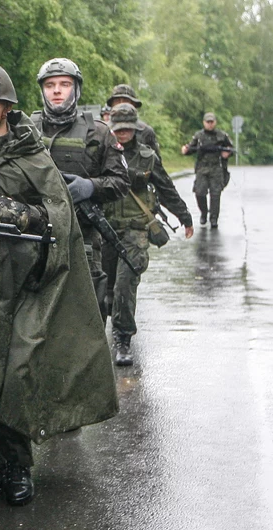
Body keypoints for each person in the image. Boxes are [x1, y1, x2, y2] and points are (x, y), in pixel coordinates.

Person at [0, 63, 118, 506]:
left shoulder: (31, 154)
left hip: (27, 280)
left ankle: (17, 466)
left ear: (7, 106)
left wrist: (14, 213)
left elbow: (58, 217)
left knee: (15, 372)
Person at [31, 58, 129, 316]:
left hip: (83, 237)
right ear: (42, 90)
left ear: (76, 89)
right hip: (34, 237)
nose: (57, 90)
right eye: (50, 85)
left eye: (64, 84)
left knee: (89, 315)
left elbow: (121, 182)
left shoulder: (99, 133)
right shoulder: (26, 130)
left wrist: (91, 186)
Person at [105, 104, 194, 365]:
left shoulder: (147, 157)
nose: (122, 134)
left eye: (127, 129)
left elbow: (166, 188)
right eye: (118, 129)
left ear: (135, 129)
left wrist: (185, 217)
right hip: (105, 228)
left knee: (124, 285)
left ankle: (123, 339)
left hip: (135, 230)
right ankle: (102, 334)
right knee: (105, 287)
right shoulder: (102, 154)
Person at [182, 112, 233, 228]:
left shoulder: (222, 135)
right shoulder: (199, 135)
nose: (210, 124)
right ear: (204, 123)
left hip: (216, 167)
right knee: (199, 192)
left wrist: (227, 153)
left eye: (212, 122)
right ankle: (204, 213)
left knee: (215, 194)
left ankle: (214, 218)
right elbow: (191, 148)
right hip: (202, 168)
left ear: (215, 122)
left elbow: (230, 148)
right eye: (207, 122)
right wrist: (186, 150)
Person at [106, 84, 161, 159]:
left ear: (134, 104)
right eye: (117, 101)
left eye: (126, 101)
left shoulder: (145, 131)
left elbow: (155, 163)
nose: (122, 104)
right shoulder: (103, 130)